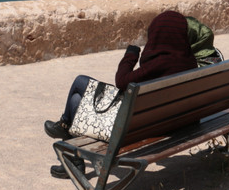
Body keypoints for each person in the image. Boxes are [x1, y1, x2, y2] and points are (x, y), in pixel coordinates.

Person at [43, 10, 197, 178]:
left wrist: (130, 55)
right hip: (163, 124)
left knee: (80, 83)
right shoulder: (188, 61)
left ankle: (65, 128)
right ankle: (70, 147)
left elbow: (122, 81)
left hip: (127, 131)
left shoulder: (159, 63)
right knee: (77, 99)